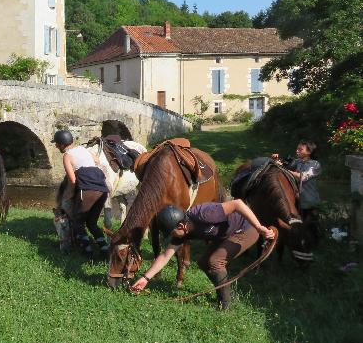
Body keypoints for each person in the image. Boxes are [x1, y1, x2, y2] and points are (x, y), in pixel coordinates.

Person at [129, 201, 276, 309]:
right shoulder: (181, 231)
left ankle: (226, 305)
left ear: (182, 225)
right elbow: (165, 255)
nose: (173, 237)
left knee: (215, 261)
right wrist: (145, 278)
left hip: (246, 229)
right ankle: (226, 295)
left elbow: (238, 204)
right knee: (203, 262)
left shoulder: (204, 213)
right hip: (225, 235)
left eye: (173, 233)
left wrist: (259, 227)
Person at [52, 129, 110, 254]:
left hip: (88, 190)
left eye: (57, 144)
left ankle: (87, 251)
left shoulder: (67, 156)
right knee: (92, 223)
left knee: (77, 222)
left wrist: (68, 196)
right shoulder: (84, 150)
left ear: (62, 144)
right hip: (103, 190)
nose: (56, 146)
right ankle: (105, 249)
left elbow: (73, 180)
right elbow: (97, 161)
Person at [286, 140, 321, 245]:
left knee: (310, 225)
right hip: (298, 199)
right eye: (297, 149)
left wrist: (289, 172)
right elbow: (286, 165)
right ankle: (301, 242)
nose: (297, 151)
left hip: (309, 201)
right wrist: (278, 161)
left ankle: (315, 244)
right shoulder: (298, 161)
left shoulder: (315, 164)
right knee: (298, 223)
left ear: (309, 151)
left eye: (300, 149)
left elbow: (304, 176)